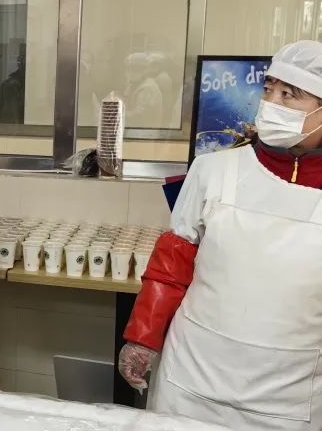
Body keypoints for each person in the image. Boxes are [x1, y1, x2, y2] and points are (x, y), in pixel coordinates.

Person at [118, 40, 322, 430]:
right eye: (268, 89)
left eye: (289, 94)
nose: (271, 103)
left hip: (290, 398)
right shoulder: (214, 170)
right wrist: (142, 338)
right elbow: (170, 267)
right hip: (191, 380)